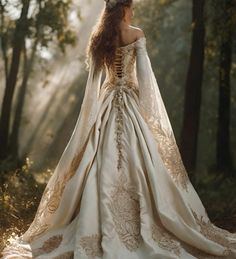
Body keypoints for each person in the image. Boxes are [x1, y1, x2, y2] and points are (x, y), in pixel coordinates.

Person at [2, 0, 236, 258]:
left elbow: (94, 82)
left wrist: (91, 115)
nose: (132, 11)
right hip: (132, 102)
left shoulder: (99, 37)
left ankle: (95, 219)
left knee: (98, 158)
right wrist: (149, 113)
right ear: (125, 7)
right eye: (131, 6)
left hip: (107, 102)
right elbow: (145, 78)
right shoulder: (136, 33)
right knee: (144, 159)